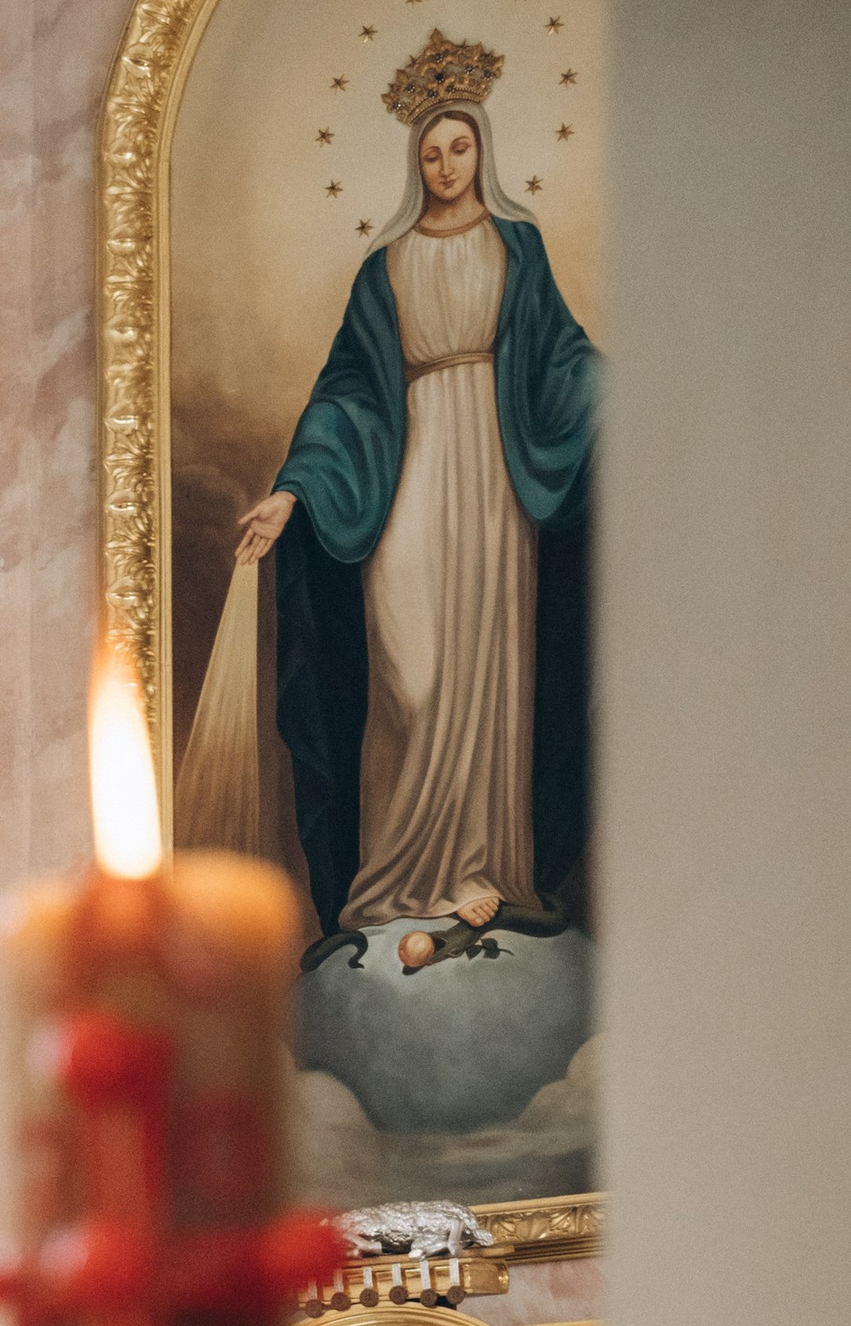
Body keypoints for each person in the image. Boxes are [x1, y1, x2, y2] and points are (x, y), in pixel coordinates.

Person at [232, 47, 599, 957]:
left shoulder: (518, 248)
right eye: (430, 153)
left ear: (482, 149)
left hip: (496, 479)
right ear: (414, 161)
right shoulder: (384, 267)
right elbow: (346, 394)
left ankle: (480, 868)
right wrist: (291, 492)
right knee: (413, 675)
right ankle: (394, 879)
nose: (445, 167)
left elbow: (561, 359)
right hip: (410, 469)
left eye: (458, 148)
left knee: (487, 669)